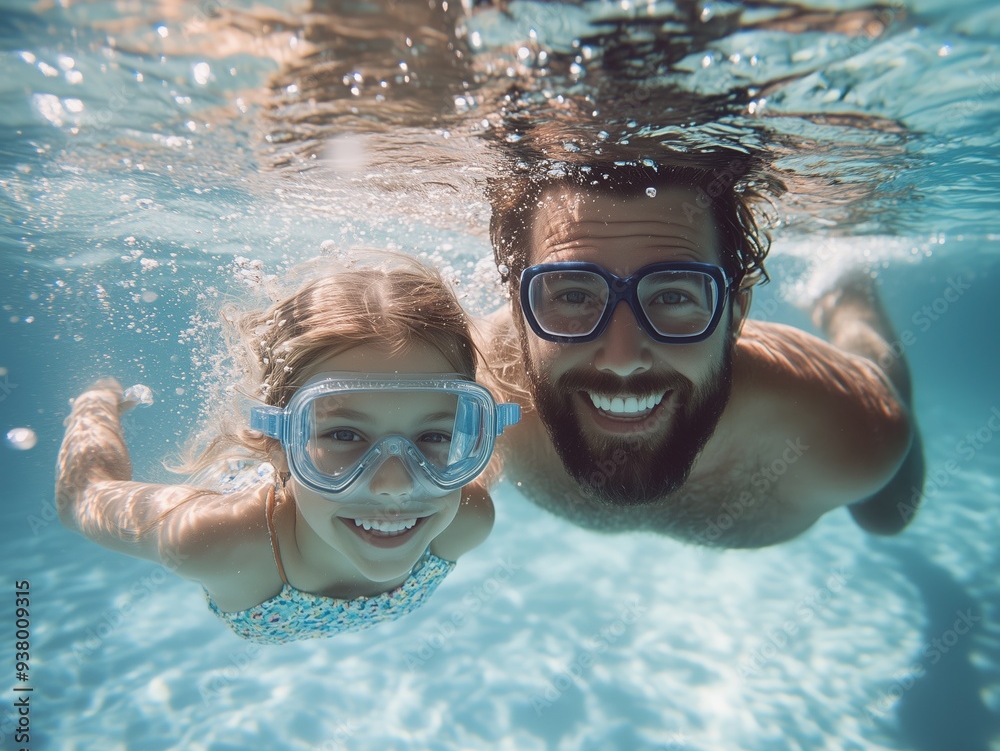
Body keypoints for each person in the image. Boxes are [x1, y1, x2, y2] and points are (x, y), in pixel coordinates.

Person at [56, 258, 520, 643]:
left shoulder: (466, 516)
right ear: (274, 443)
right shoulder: (216, 542)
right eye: (343, 434)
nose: (395, 485)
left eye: (435, 437)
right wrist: (94, 405)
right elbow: (85, 497)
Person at [478, 159, 924, 548]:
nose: (622, 358)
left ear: (736, 315)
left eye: (672, 297)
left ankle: (848, 296)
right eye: (574, 296)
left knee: (887, 515)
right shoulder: (477, 375)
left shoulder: (845, 432)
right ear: (518, 315)